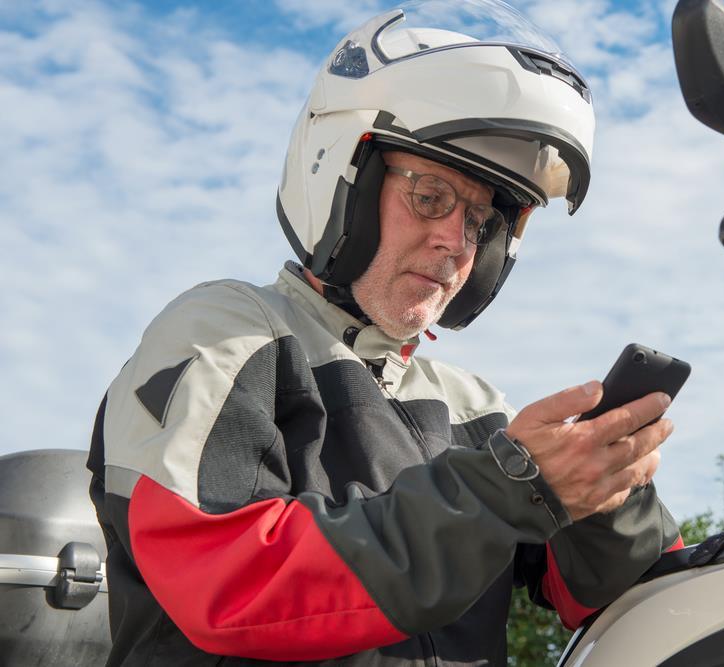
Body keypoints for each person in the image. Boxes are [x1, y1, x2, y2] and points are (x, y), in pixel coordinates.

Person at [86, 2, 681, 664]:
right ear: (343, 175)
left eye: (481, 221)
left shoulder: (475, 408)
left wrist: (610, 490)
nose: (457, 243)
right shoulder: (227, 332)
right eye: (429, 196)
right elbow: (227, 578)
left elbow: (601, 598)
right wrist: (504, 489)